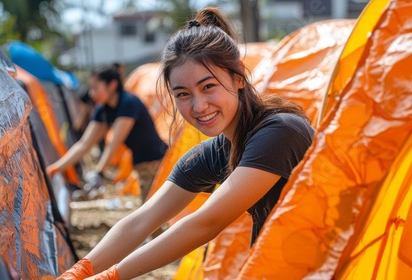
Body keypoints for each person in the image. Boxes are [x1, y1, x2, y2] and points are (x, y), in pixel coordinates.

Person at [57, 7, 315, 280]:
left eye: (208, 87)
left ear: (238, 76)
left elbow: (207, 222)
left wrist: (111, 276)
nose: (198, 105)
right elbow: (142, 220)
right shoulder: (217, 151)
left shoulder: (279, 133)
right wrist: (80, 271)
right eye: (183, 94)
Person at [46, 64, 168, 204]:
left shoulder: (128, 103)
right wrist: (56, 167)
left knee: (152, 212)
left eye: (96, 88)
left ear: (112, 85)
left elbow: (114, 143)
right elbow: (84, 144)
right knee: (151, 211)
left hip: (156, 162)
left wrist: (99, 172)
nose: (92, 94)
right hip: (141, 164)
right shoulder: (103, 109)